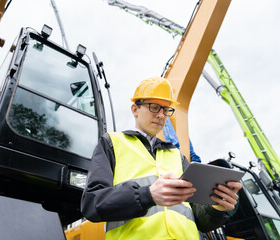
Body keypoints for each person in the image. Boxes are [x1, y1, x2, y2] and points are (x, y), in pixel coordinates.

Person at [81, 76, 242, 240]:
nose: (161, 115)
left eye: (166, 110)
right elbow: (91, 205)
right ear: (135, 109)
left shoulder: (177, 156)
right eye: (154, 107)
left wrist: (217, 207)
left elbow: (200, 220)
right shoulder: (112, 143)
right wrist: (147, 195)